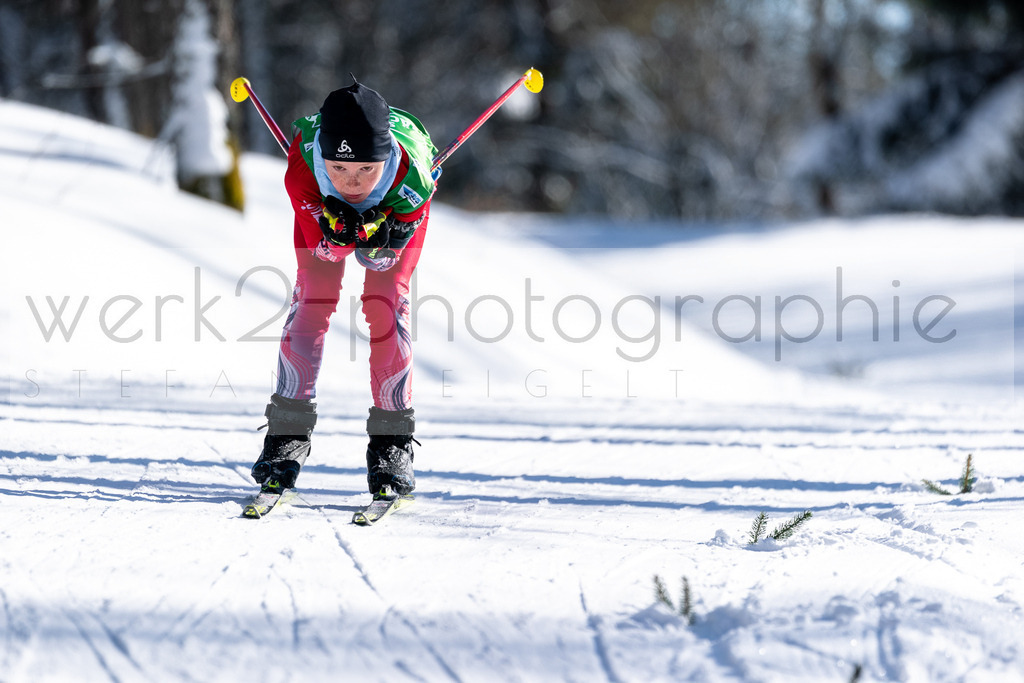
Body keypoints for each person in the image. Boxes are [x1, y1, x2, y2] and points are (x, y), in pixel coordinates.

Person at [249, 78, 437, 499]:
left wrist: (380, 235)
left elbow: (379, 260)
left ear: (384, 158)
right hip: (320, 205)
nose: (352, 182)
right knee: (312, 301)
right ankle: (285, 436)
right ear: (323, 159)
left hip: (395, 207)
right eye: (339, 169)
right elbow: (326, 253)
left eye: (366, 169)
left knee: (385, 304)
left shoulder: (412, 182)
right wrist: (335, 236)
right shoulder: (302, 175)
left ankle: (393, 445)